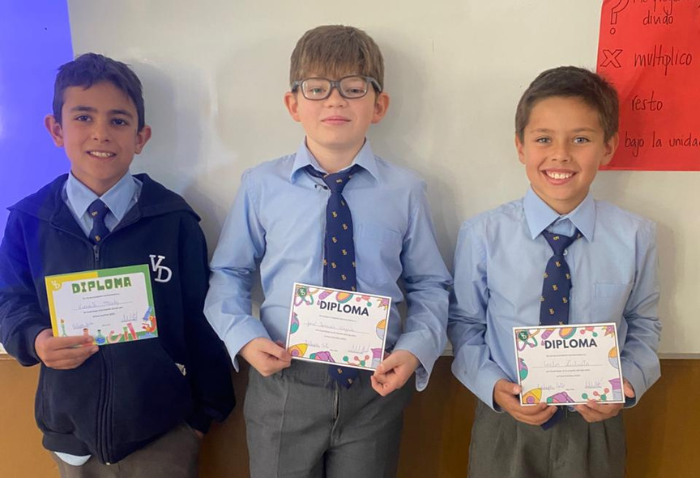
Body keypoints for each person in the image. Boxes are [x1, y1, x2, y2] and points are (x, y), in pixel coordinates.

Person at [204, 25, 451, 478]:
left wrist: (416, 349)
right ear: (293, 104)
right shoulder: (261, 185)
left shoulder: (405, 190)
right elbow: (229, 274)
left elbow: (430, 284)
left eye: (353, 88)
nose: (335, 101)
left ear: (379, 105)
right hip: (284, 381)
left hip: (375, 388)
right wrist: (245, 338)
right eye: (317, 88)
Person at [0, 53, 234, 478]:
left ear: (141, 137)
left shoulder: (173, 220)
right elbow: (9, 301)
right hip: (72, 440)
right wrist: (35, 340)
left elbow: (203, 317)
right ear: (56, 129)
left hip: (164, 435)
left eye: (119, 120)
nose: (101, 133)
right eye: (83, 117)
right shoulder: (29, 220)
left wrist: (203, 417)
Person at [448, 66, 662, 478]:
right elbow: (464, 324)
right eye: (543, 139)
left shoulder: (635, 236)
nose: (561, 154)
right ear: (520, 146)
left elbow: (644, 324)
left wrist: (629, 384)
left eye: (580, 139)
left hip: (595, 425)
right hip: (506, 420)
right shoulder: (483, 234)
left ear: (608, 147)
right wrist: (494, 386)